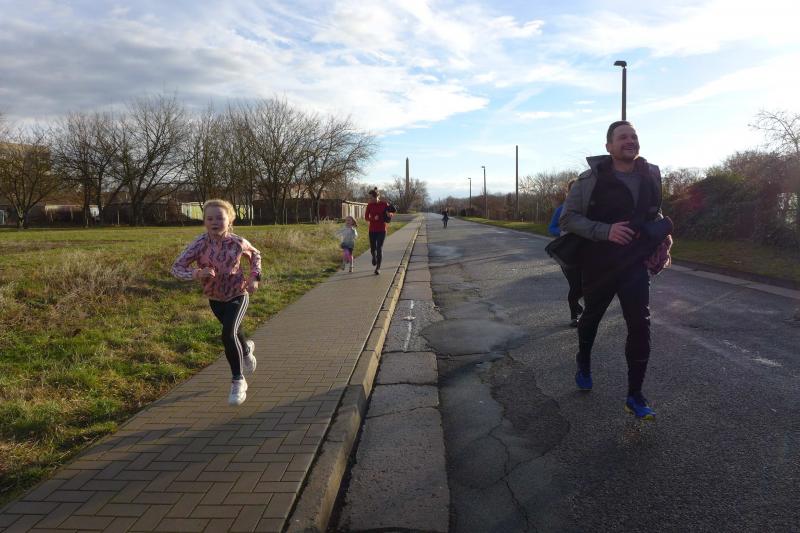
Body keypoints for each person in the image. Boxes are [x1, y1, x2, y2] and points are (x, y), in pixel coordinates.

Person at [560, 121, 672, 420]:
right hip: (599, 264)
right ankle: (583, 361)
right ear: (608, 146)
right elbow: (567, 219)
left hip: (635, 263)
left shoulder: (651, 174)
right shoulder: (589, 179)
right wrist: (605, 231)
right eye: (622, 137)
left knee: (640, 325)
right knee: (591, 318)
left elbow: (654, 211)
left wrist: (661, 236)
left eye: (634, 136)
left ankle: (635, 395)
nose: (630, 140)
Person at [171, 198, 262, 406]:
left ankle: (238, 381)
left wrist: (254, 278)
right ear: (204, 221)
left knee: (228, 334)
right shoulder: (199, 244)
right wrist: (197, 273)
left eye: (220, 218)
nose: (214, 222)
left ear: (230, 220)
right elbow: (176, 268)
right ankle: (246, 350)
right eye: (210, 218)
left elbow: (256, 255)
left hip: (238, 294)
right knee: (235, 332)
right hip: (214, 298)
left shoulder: (238, 242)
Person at [549, 181, 583, 327]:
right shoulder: (561, 209)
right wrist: (562, 231)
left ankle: (575, 303)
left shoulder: (587, 209)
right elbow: (551, 228)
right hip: (566, 253)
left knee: (585, 285)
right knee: (575, 285)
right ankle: (574, 317)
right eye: (573, 190)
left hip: (585, 252)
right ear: (568, 192)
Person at [364, 188, 394, 275]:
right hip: (372, 230)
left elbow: (391, 212)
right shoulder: (369, 205)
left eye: (371, 198)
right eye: (369, 198)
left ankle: (378, 268)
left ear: (376, 197)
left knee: (379, 248)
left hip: (382, 230)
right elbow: (366, 218)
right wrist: (373, 218)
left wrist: (390, 214)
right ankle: (374, 257)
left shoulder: (384, 204)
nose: (369, 199)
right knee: (373, 249)